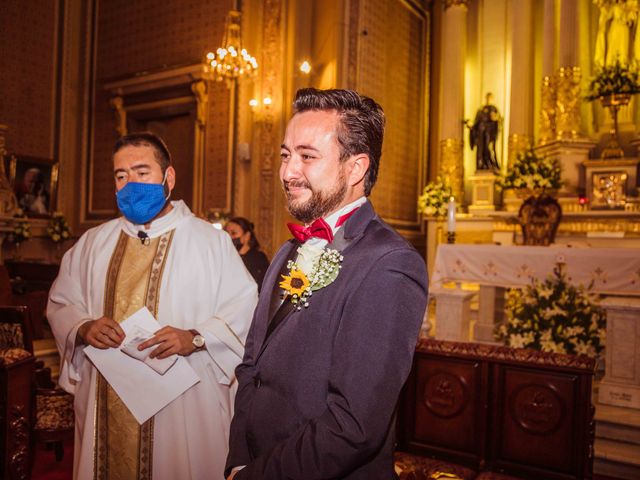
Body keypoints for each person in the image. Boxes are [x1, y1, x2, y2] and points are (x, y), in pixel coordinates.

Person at [225, 88, 428, 479]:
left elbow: (353, 425)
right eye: (285, 155)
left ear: (355, 168)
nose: (288, 172)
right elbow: (252, 367)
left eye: (307, 156)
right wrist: (238, 459)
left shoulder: (390, 264)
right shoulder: (286, 252)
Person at [47, 132, 258, 479]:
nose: (130, 184)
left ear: (168, 178)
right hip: (106, 395)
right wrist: (83, 327)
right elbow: (61, 302)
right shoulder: (91, 244)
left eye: (142, 172)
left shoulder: (210, 243)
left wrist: (197, 337)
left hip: (183, 403)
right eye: (121, 175)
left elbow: (245, 307)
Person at [224, 216, 270, 291]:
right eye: (226, 233)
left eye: (233, 233)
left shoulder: (258, 258)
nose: (229, 237)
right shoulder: (225, 257)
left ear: (247, 236)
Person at [466, 92, 500, 171]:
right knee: (480, 149)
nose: (489, 100)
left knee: (488, 148)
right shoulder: (481, 110)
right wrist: (471, 126)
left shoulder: (494, 109)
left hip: (489, 133)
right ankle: (481, 164)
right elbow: (476, 122)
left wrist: (494, 118)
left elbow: (497, 120)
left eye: (490, 98)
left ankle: (490, 164)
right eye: (488, 98)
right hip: (481, 133)